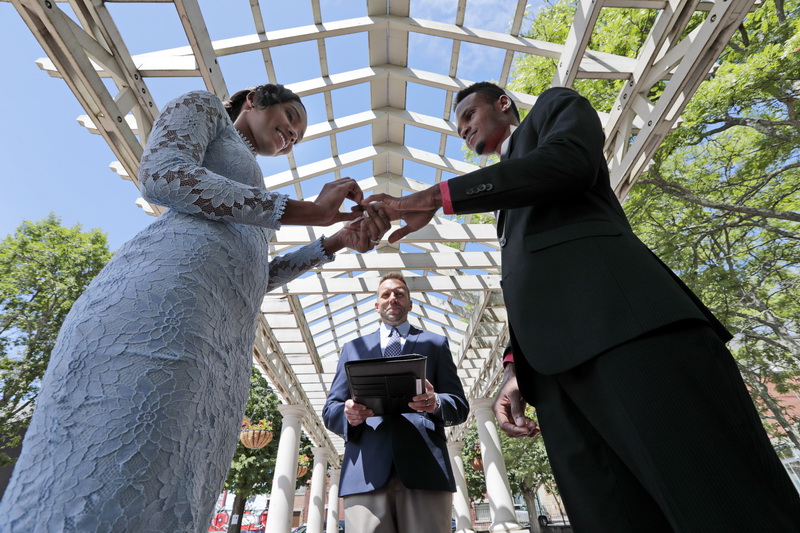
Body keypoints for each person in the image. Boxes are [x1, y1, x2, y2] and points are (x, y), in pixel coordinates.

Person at [362, 82, 800, 532]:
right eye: (459, 127)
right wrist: (515, 368)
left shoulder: (555, 108)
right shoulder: (506, 202)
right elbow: (530, 283)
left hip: (625, 332)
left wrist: (435, 196)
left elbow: (567, 164)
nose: (464, 129)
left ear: (503, 104)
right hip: (555, 378)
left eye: (469, 115)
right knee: (608, 516)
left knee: (714, 494)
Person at [0, 84, 391, 532]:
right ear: (254, 100)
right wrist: (307, 210)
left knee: (175, 477)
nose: (292, 134)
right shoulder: (203, 105)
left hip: (223, 342)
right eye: (289, 116)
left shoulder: (260, 190)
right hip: (167, 299)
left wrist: (335, 241)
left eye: (298, 136)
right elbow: (162, 174)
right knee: (118, 457)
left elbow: (257, 277)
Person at [322, 272, 469, 533]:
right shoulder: (352, 348)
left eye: (400, 294)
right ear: (376, 305)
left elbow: (458, 405)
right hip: (365, 472)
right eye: (386, 295)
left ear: (410, 304)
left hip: (425, 470)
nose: (393, 299)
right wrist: (348, 415)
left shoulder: (435, 344)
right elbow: (331, 408)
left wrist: (435, 403)